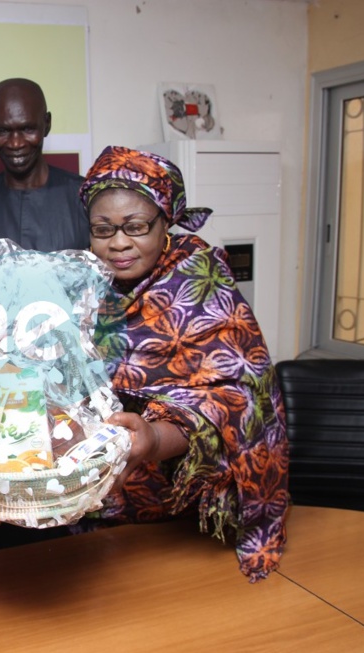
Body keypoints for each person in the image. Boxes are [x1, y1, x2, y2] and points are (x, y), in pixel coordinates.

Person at [76, 145, 289, 582]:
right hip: (105, 510)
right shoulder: (83, 285)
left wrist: (153, 438)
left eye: (135, 227)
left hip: (189, 517)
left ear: (166, 219)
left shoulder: (203, 287)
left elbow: (239, 400)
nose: (118, 243)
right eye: (102, 229)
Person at [0, 78, 89, 252]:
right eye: (2, 131)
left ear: (47, 124)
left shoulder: (84, 198)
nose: (15, 144)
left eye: (28, 129)